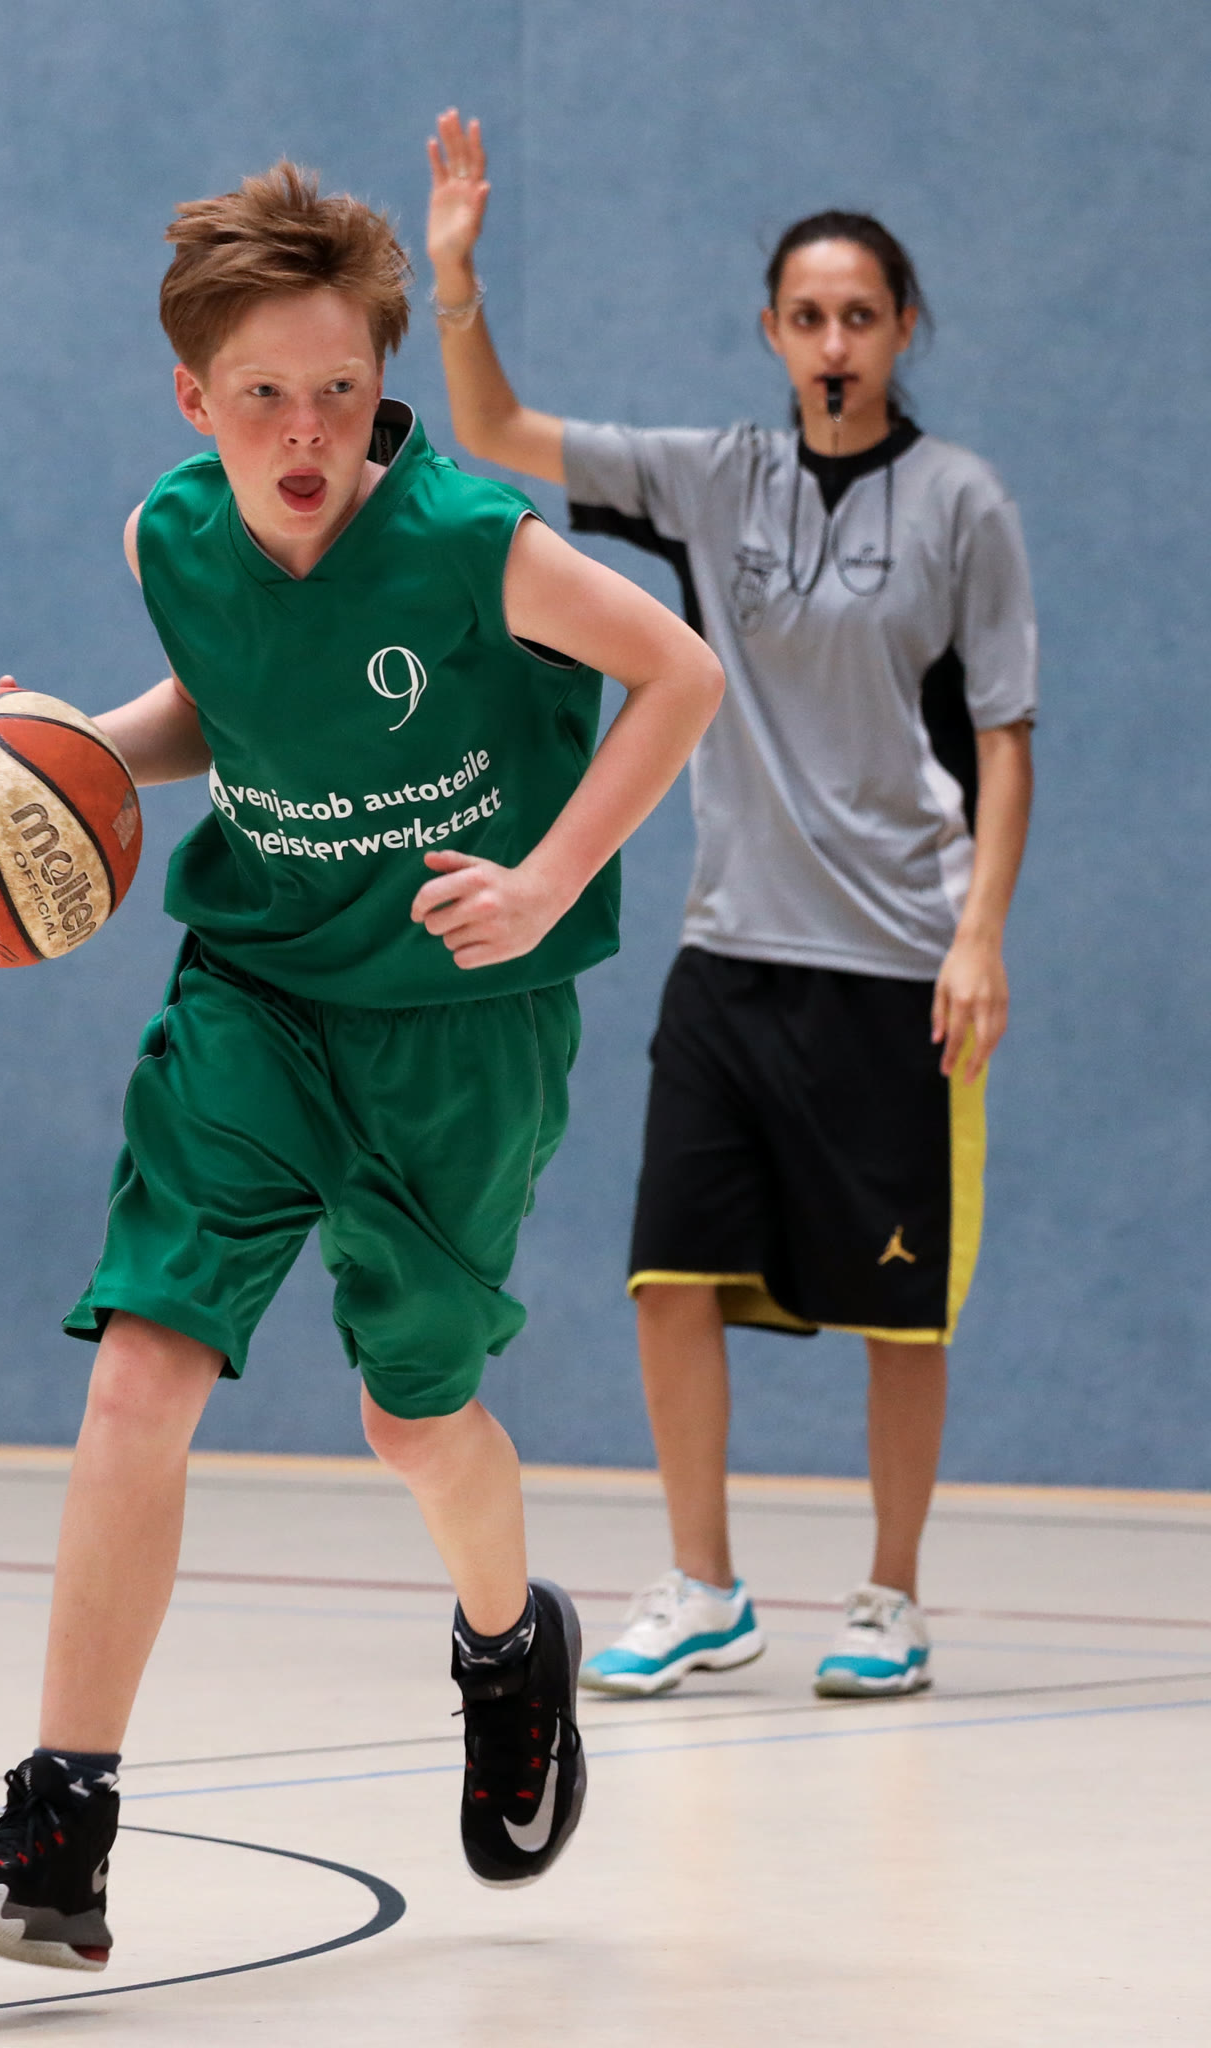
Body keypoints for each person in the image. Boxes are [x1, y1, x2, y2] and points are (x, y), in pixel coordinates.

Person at [0, 161, 724, 1970]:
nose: (306, 428)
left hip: (458, 1027)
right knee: (142, 1374)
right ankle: (60, 1828)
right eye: (263, 392)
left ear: (381, 385)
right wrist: (59, 762)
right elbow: (235, 706)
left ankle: (509, 1644)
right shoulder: (168, 539)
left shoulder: (471, 540)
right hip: (253, 994)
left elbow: (679, 676)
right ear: (193, 396)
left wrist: (548, 876)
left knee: (412, 1420)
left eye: (341, 388)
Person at [425, 111, 1035, 1701]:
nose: (834, 341)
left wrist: (980, 933)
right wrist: (455, 278)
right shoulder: (715, 481)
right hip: (728, 951)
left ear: (902, 330)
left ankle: (891, 1598)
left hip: (896, 961)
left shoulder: (963, 503)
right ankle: (703, 1586)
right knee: (669, 1272)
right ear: (771, 331)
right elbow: (491, 428)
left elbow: (1003, 733)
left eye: (861, 315)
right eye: (807, 315)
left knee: (903, 1313)